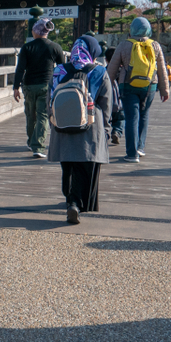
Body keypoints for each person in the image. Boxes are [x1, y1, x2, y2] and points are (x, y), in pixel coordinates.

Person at [49, 36, 110, 224]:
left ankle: (70, 199)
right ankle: (76, 203)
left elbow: (49, 99)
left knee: (68, 166)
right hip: (90, 126)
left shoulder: (58, 70)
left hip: (62, 125)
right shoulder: (99, 71)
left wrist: (53, 123)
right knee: (85, 166)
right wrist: (106, 128)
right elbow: (106, 103)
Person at [106, 17, 170, 163]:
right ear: (148, 30)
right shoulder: (155, 45)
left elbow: (112, 69)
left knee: (131, 118)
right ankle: (140, 148)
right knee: (144, 115)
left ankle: (131, 154)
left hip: (128, 85)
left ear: (131, 29)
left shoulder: (124, 45)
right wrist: (164, 90)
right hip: (150, 86)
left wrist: (105, 87)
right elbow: (161, 69)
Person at [13, 17, 65, 159]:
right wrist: (60, 86)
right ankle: (38, 146)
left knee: (31, 114)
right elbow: (62, 69)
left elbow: (20, 69)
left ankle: (31, 141)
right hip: (46, 86)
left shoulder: (27, 47)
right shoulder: (55, 47)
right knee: (42, 115)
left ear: (36, 31)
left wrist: (16, 87)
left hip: (29, 85)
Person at [104, 46, 124, 145]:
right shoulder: (122, 71)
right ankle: (116, 132)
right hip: (120, 101)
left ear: (106, 60)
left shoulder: (104, 71)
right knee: (120, 119)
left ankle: (105, 133)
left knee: (105, 119)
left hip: (106, 101)